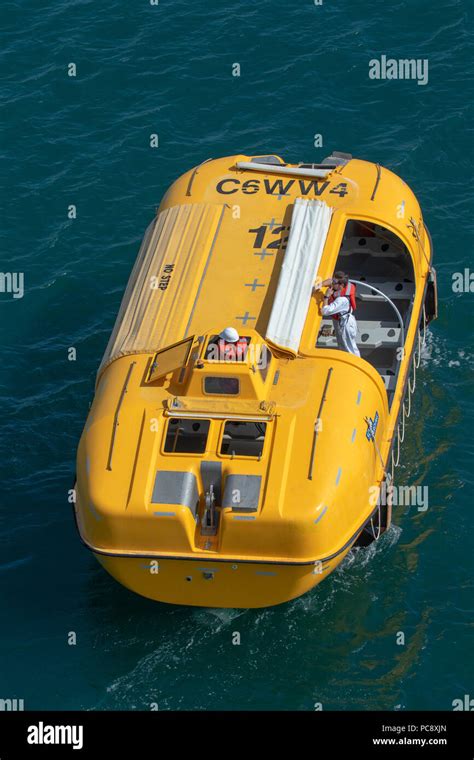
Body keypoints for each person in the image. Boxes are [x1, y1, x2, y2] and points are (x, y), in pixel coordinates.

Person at [316, 271, 360, 357]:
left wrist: (326, 296)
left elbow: (324, 311)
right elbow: (329, 281)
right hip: (345, 320)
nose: (332, 284)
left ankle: (354, 365)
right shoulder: (343, 285)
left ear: (341, 285)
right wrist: (319, 285)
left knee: (350, 348)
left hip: (346, 325)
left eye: (334, 283)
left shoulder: (342, 300)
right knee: (343, 346)